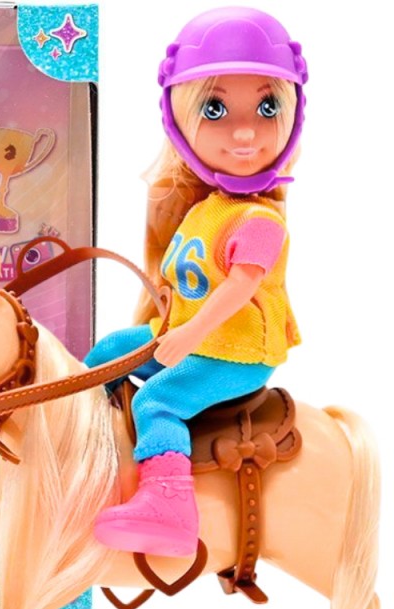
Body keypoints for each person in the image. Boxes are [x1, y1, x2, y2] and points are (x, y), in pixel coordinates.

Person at [85, 8, 307, 557]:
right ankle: (90, 453)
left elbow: (239, 288)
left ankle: (169, 506)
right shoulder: (206, 207)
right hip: (190, 334)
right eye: (214, 109)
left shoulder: (258, 221)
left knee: (159, 401)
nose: (243, 132)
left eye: (267, 108)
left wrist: (187, 336)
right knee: (109, 353)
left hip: (234, 351)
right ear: (178, 119)